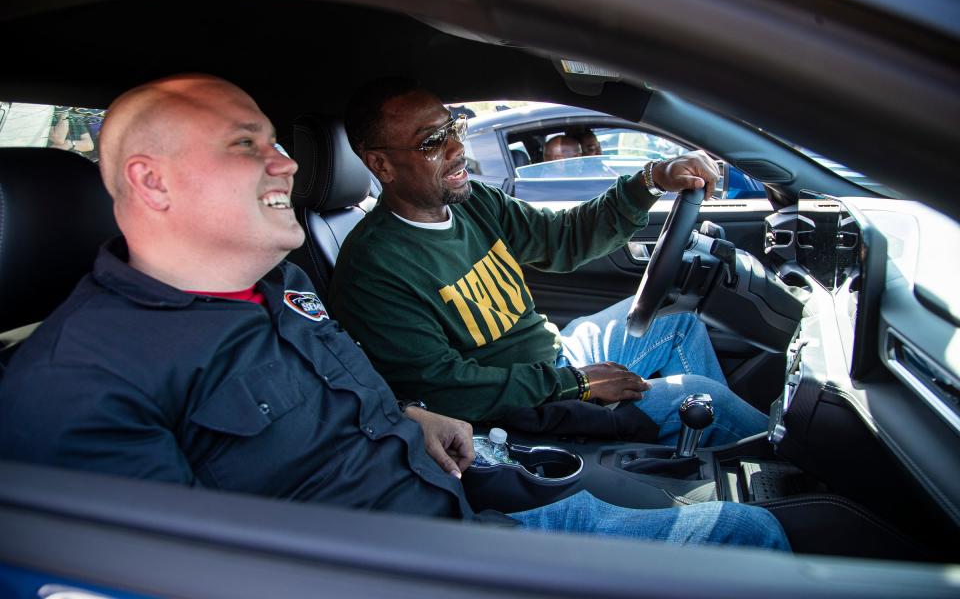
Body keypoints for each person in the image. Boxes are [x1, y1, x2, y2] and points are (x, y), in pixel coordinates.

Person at [0, 74, 788, 550]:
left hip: (467, 490)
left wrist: (410, 416)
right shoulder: (75, 384)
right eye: (250, 145)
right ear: (153, 182)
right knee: (749, 536)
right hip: (429, 555)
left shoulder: (278, 293)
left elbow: (358, 401)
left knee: (728, 475)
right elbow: (177, 571)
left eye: (279, 141)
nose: (287, 163)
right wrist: (570, 391)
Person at [331, 78, 768, 445]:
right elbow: (449, 389)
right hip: (523, 408)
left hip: (554, 358)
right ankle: (786, 477)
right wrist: (579, 384)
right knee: (699, 397)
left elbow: (563, 239)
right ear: (381, 165)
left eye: (453, 128)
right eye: (431, 142)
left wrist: (650, 181)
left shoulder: (473, 203)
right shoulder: (374, 269)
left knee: (680, 323)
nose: (455, 148)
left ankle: (695, 459)